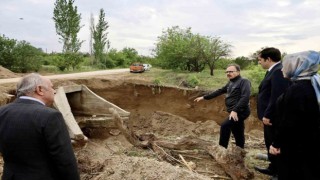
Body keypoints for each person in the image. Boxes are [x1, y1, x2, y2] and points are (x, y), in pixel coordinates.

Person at [0, 73, 80, 180]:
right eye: (52, 87)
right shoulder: (50, 116)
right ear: (40, 89)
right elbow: (65, 160)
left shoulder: (2, 112)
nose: (54, 91)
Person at [269, 51, 320, 180]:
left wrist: (276, 143)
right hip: (310, 143)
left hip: (295, 147)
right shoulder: (313, 83)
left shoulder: (297, 89)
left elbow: (290, 122)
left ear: (297, 66)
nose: (282, 70)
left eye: (286, 66)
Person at [194, 64, 251, 149]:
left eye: (231, 71)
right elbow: (220, 91)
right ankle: (240, 150)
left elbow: (245, 97)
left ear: (238, 72)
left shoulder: (244, 81)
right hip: (233, 111)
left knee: (225, 126)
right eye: (227, 72)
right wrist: (204, 97)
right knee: (237, 130)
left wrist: (235, 110)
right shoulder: (231, 82)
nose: (228, 73)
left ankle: (222, 149)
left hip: (241, 111)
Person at [255, 47, 290, 179]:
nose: (259, 62)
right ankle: (272, 167)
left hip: (273, 117)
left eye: (260, 60)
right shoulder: (272, 70)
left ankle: (279, 173)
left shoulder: (278, 72)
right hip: (268, 116)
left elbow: (277, 97)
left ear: (268, 59)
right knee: (269, 142)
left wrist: (268, 114)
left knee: (275, 143)